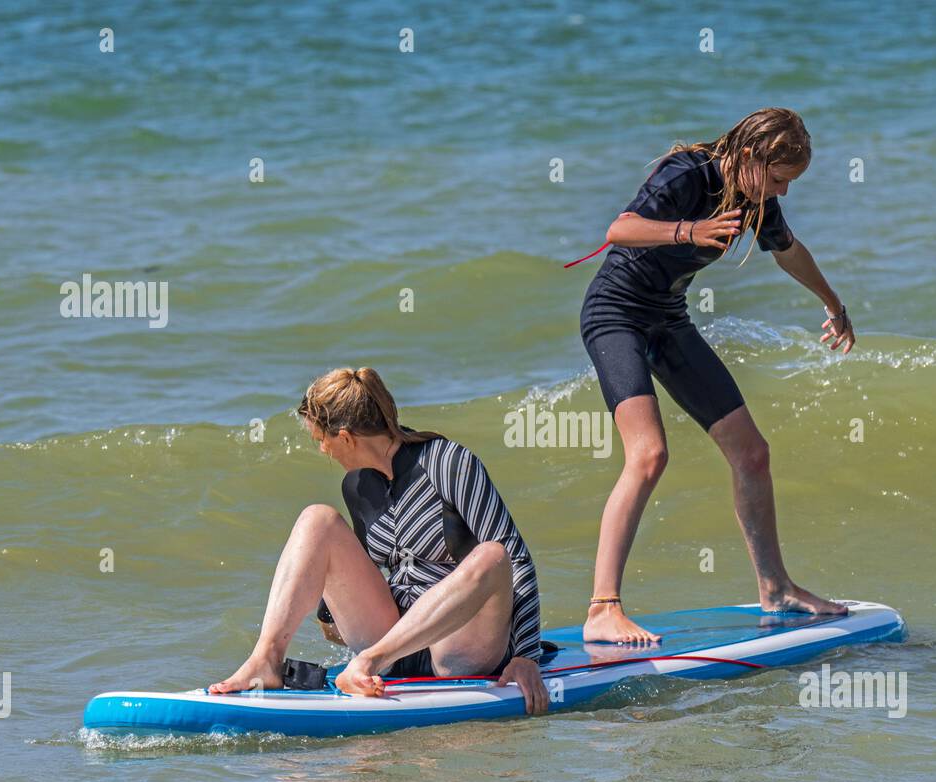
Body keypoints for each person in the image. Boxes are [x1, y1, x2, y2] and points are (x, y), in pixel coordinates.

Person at [578, 107, 853, 644]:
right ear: (750, 157)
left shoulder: (755, 199)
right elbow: (620, 229)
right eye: (778, 180)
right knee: (649, 454)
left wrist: (834, 305)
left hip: (668, 319)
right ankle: (602, 607)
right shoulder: (687, 172)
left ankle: (775, 588)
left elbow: (790, 253)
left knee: (752, 453)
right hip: (616, 314)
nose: (783, 193)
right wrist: (691, 229)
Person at [209, 367, 548, 714]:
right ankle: (266, 660)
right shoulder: (357, 487)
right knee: (317, 518)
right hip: (395, 645)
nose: (323, 450)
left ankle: (368, 662)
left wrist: (525, 656)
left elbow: (516, 559)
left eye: (321, 440)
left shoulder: (449, 463)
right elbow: (361, 567)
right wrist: (330, 614)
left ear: (346, 437)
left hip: (458, 648)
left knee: (493, 555)